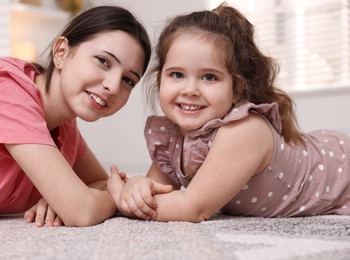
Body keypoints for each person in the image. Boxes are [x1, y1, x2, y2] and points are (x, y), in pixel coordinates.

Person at [107, 2, 350, 222]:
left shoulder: (244, 130)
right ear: (160, 81)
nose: (190, 89)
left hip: (341, 169)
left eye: (209, 77)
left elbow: (192, 208)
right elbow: (157, 190)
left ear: (236, 90)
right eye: (177, 75)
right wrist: (137, 185)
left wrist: (121, 199)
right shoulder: (171, 137)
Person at [0, 5, 151, 227]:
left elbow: (100, 182)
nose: (113, 86)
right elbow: (82, 211)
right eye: (103, 61)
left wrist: (74, 196)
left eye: (128, 80)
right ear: (61, 52)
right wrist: (111, 200)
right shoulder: (6, 86)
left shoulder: (64, 125)